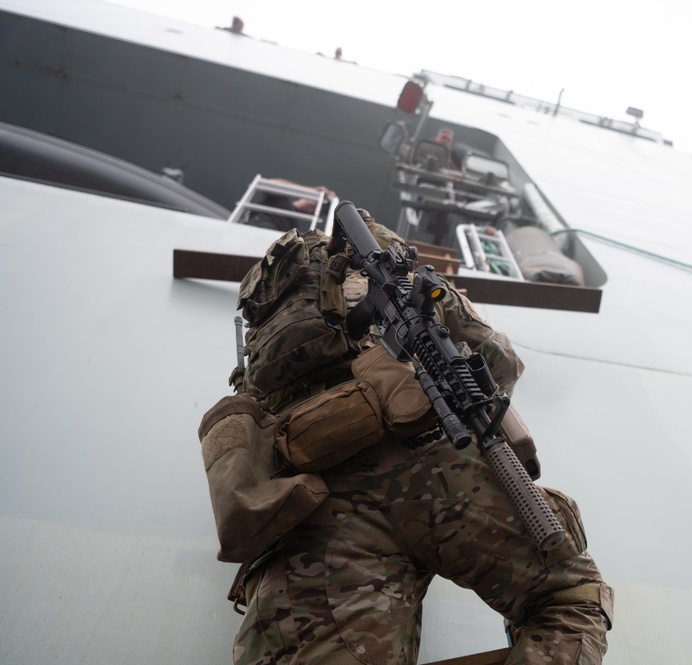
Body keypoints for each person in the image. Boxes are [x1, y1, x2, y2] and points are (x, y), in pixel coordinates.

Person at [225, 210, 613, 664]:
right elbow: (499, 362)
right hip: (430, 460)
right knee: (570, 596)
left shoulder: (266, 317)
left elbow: (256, 402)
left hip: (312, 494)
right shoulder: (396, 272)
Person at [244, 178, 336, 232]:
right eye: (317, 202)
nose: (313, 207)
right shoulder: (281, 198)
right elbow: (270, 184)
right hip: (256, 225)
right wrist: (312, 191)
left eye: (319, 210)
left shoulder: (294, 229)